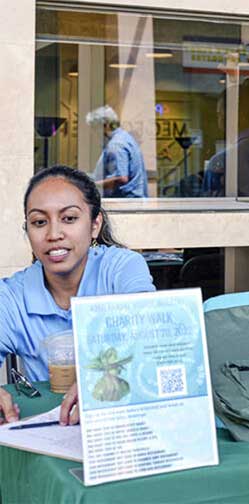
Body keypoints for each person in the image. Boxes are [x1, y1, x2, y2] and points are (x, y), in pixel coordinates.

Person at [0, 165, 155, 426]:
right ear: (27, 231)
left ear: (95, 225)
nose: (53, 234)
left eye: (69, 219)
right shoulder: (13, 296)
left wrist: (96, 383)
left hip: (128, 424)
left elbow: (150, 333)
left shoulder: (121, 268)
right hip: (52, 429)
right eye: (39, 222)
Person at [86, 105, 148, 198]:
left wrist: (91, 185)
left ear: (105, 125)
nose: (93, 133)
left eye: (95, 128)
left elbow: (121, 178)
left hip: (126, 203)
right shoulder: (125, 137)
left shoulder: (115, 145)